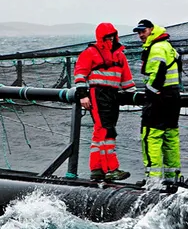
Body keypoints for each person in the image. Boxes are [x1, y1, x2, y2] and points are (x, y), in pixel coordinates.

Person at [73, 22, 135, 181]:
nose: (111, 39)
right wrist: (82, 95)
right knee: (107, 131)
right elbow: (80, 74)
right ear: (101, 37)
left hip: (113, 95)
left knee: (100, 131)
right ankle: (111, 169)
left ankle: (97, 169)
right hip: (98, 94)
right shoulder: (91, 52)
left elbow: (127, 79)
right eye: (108, 37)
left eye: (112, 36)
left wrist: (133, 95)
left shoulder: (120, 54)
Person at [133, 19, 182, 187]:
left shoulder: (156, 48)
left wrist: (152, 93)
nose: (140, 35)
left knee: (151, 136)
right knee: (170, 136)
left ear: (152, 30)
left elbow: (157, 74)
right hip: (173, 96)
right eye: (138, 32)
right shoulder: (168, 46)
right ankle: (172, 178)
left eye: (143, 31)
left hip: (159, 97)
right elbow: (177, 65)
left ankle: (152, 180)